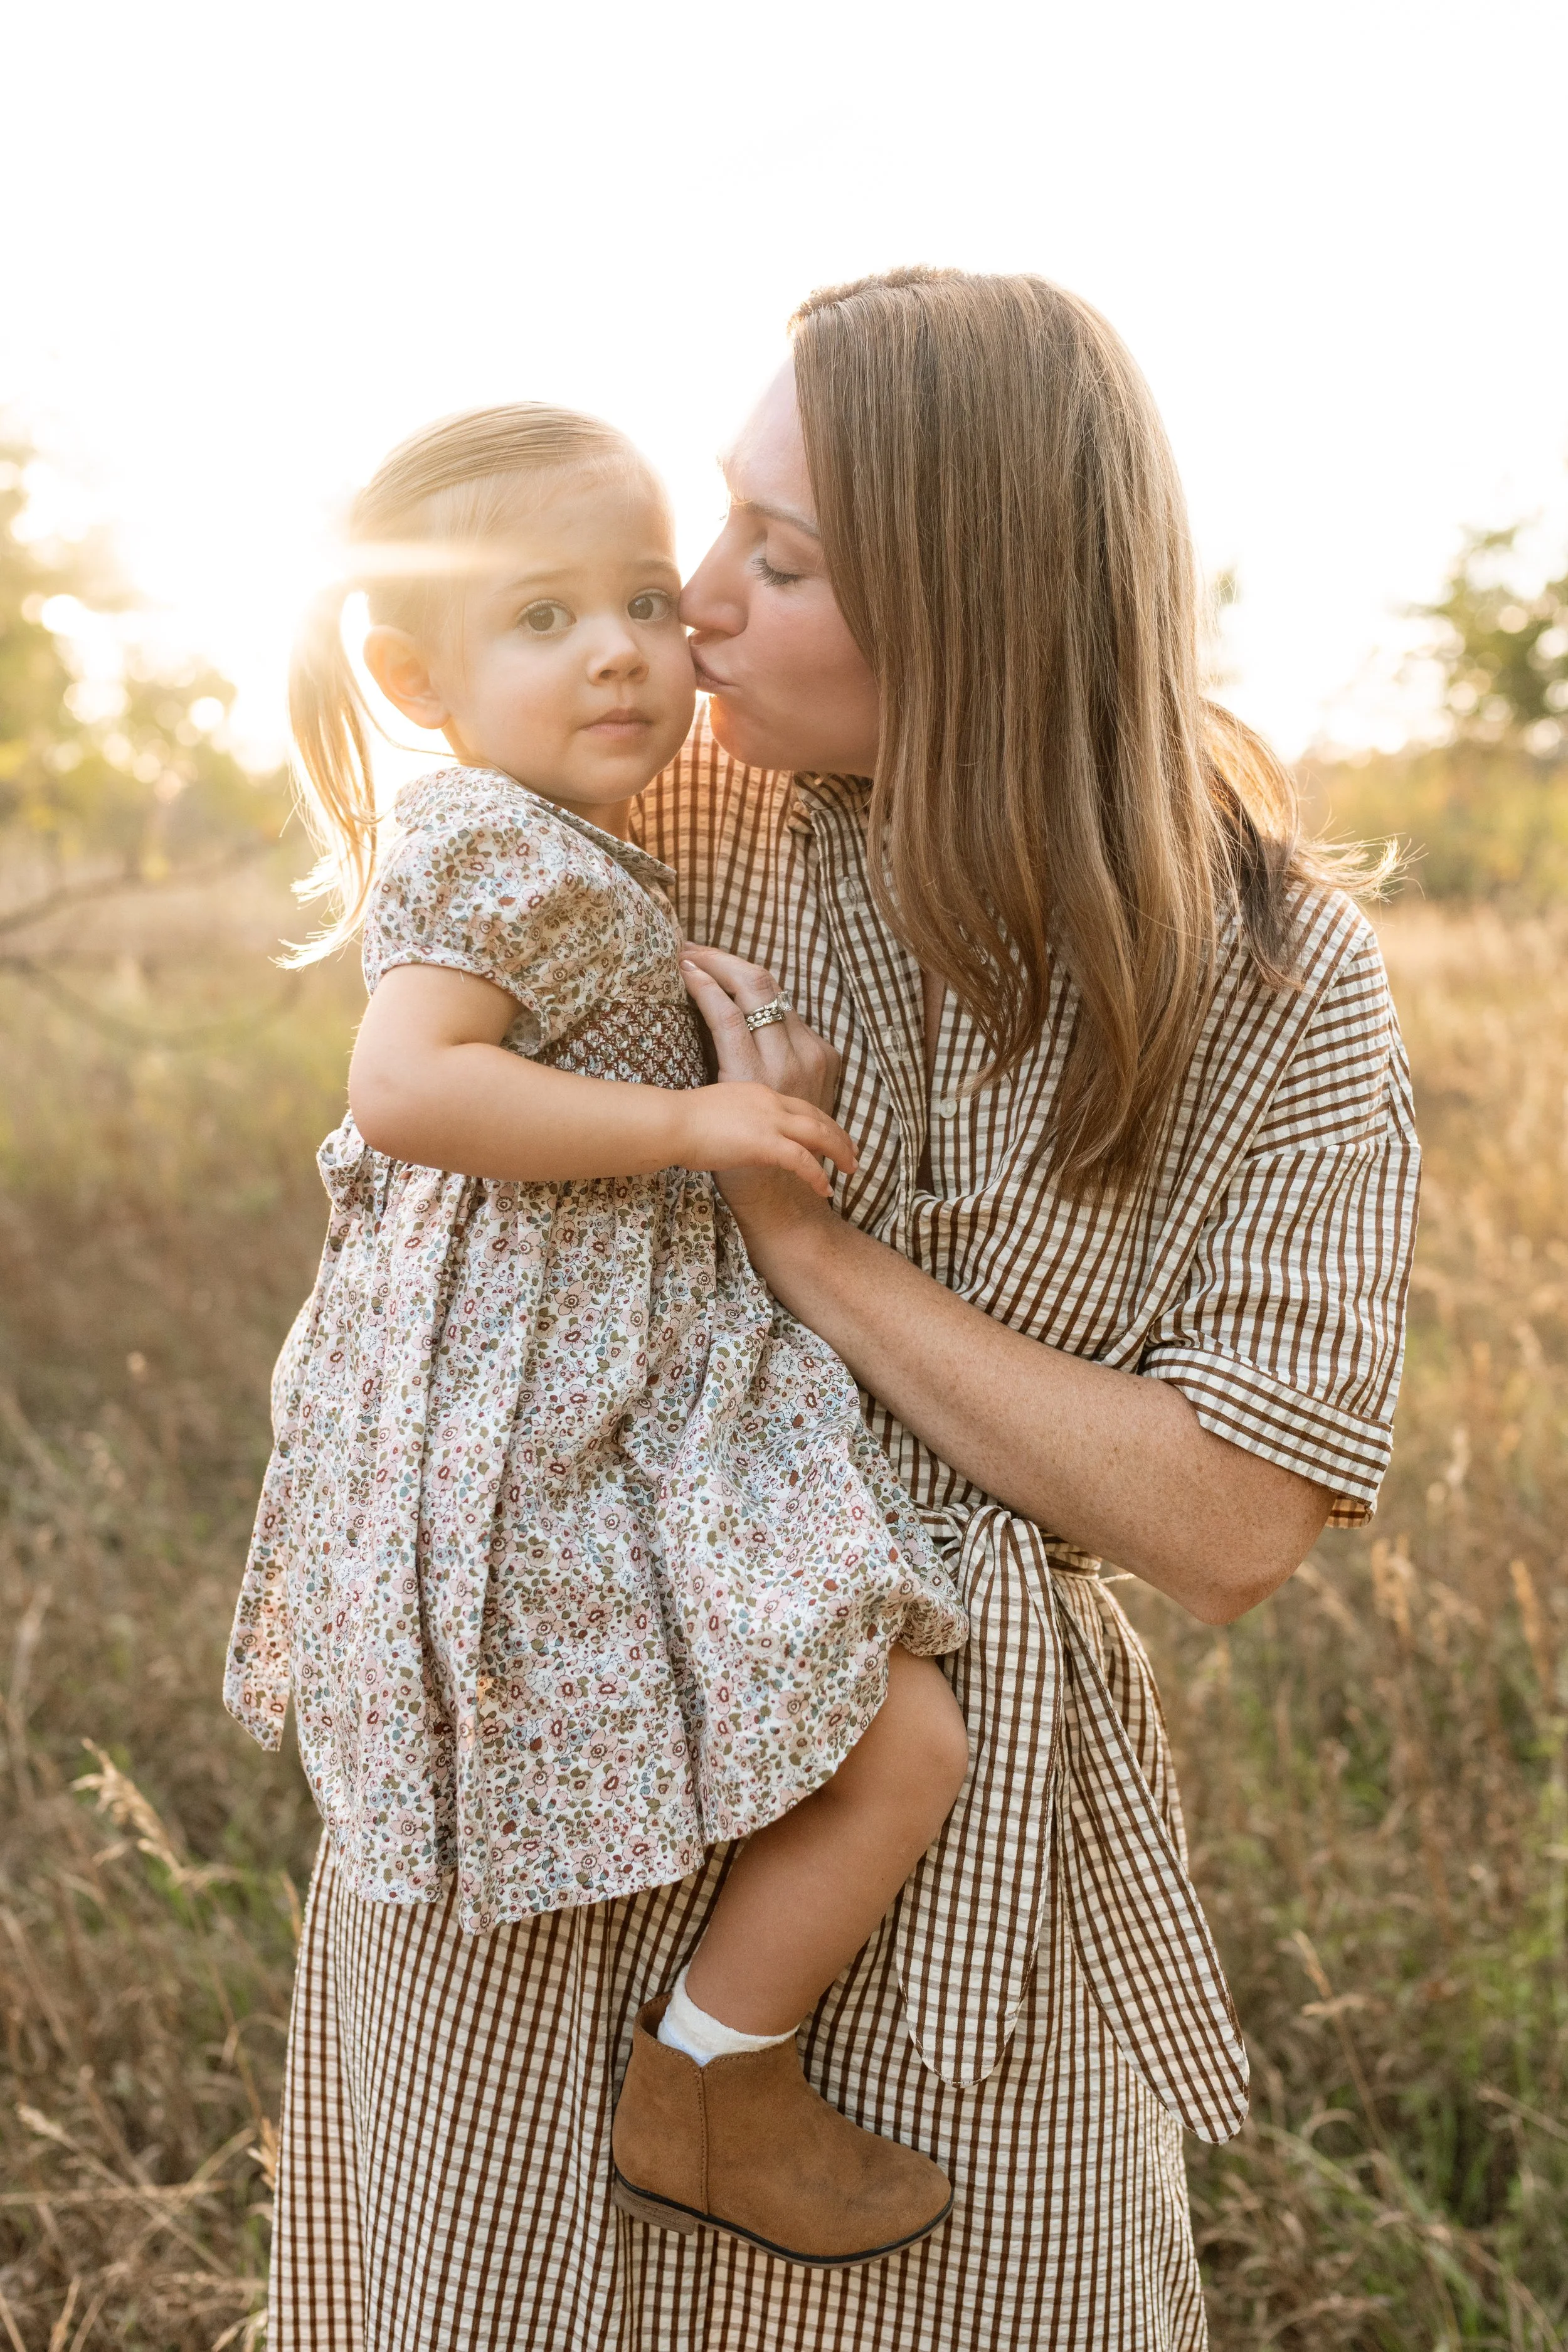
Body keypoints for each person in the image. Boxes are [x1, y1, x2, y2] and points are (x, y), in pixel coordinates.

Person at [262, 273, 1419, 2351]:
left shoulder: (1275, 984)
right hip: (558, 1754)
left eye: (772, 561)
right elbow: (425, 1128)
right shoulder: (665, 817)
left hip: (923, 1813)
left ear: (975, 611)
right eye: (710, 530)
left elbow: (1237, 1517)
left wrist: (818, 1262)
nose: (686, 609)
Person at [223, 401, 972, 2277]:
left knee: (889, 1733)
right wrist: (696, 1126)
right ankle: (713, 2074)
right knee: (904, 1738)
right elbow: (405, 1086)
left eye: (644, 594)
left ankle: (713, 2065)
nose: (626, 647)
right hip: (544, 1427)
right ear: (417, 672)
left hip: (564, 1394)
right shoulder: (497, 838)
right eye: (542, 615)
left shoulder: (556, 832)